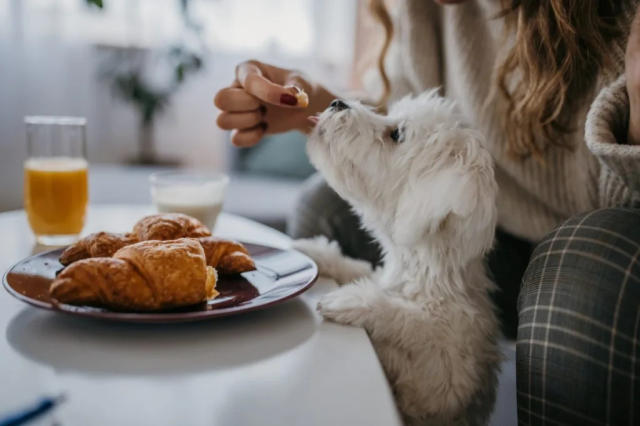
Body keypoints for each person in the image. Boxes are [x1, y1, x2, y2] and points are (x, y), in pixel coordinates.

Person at [214, 0, 640, 423]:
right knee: (321, 206)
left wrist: (634, 120)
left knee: (582, 262)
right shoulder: (422, 9)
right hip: (472, 236)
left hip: (588, 236)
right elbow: (404, 130)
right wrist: (313, 106)